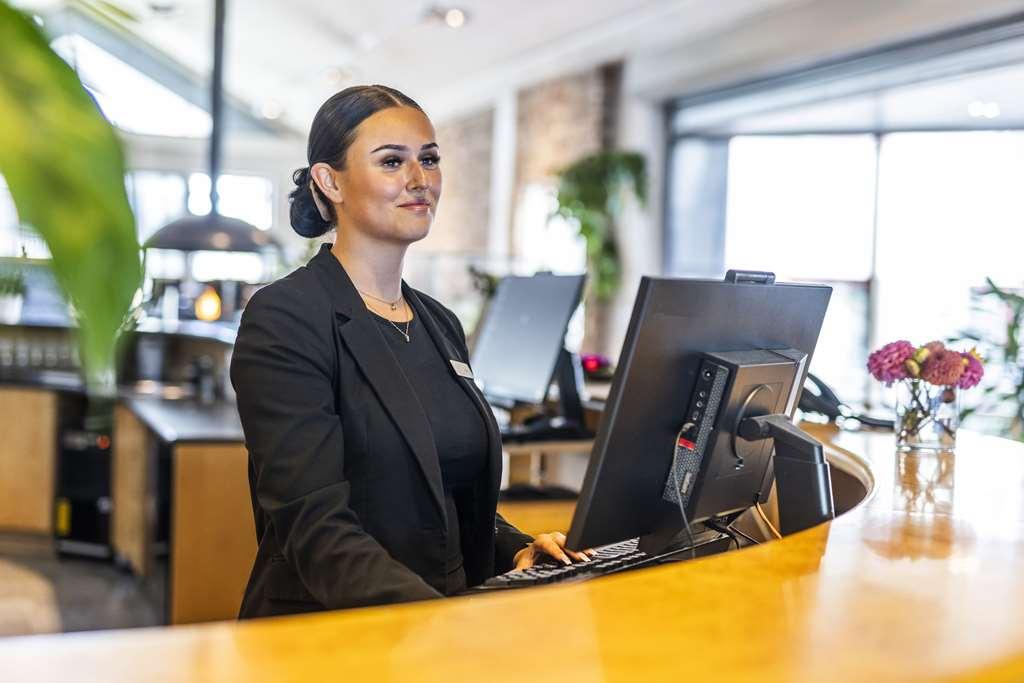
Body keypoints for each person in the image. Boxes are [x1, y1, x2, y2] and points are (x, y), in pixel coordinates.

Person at [231, 85, 592, 619]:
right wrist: (442, 625)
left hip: (442, 628)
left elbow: (449, 498)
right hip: (332, 636)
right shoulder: (286, 318)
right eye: (392, 161)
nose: (419, 179)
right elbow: (315, 530)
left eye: (429, 159)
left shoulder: (438, 322)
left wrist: (514, 547)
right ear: (330, 182)